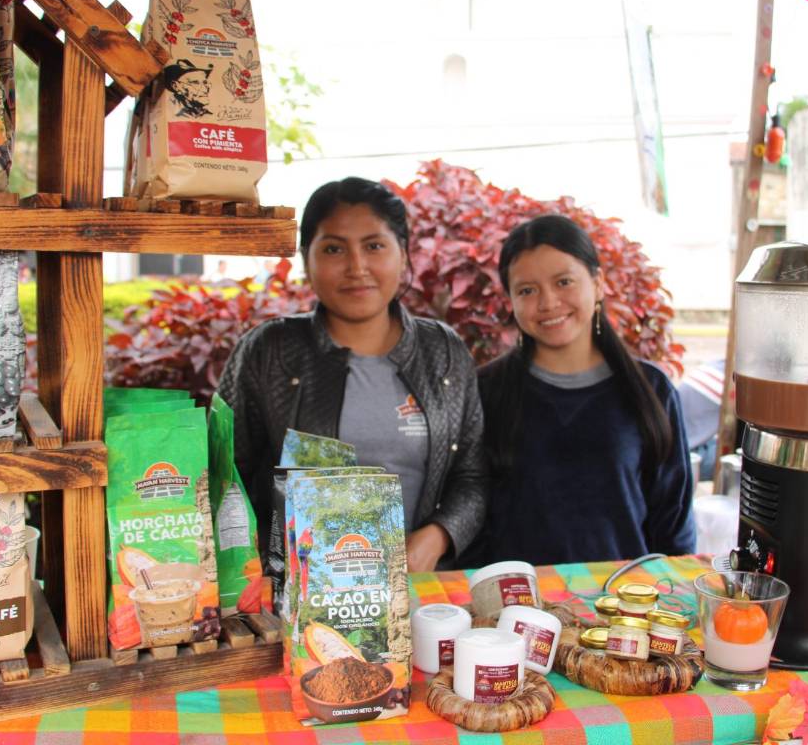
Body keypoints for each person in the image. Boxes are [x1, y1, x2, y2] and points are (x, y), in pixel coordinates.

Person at [217, 177, 487, 572]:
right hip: (297, 589)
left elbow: (473, 475)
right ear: (306, 259)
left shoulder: (443, 351)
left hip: (418, 588)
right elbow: (225, 477)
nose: (356, 267)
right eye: (333, 249)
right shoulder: (268, 350)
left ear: (403, 254)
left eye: (374, 246)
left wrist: (438, 535)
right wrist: (257, 563)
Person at [469, 214, 695, 566]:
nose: (548, 303)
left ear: (598, 283)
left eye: (564, 282)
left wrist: (673, 588)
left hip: (624, 595)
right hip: (515, 597)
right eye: (527, 290)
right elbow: (469, 514)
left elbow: (673, 521)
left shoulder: (651, 389)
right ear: (510, 300)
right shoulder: (485, 391)